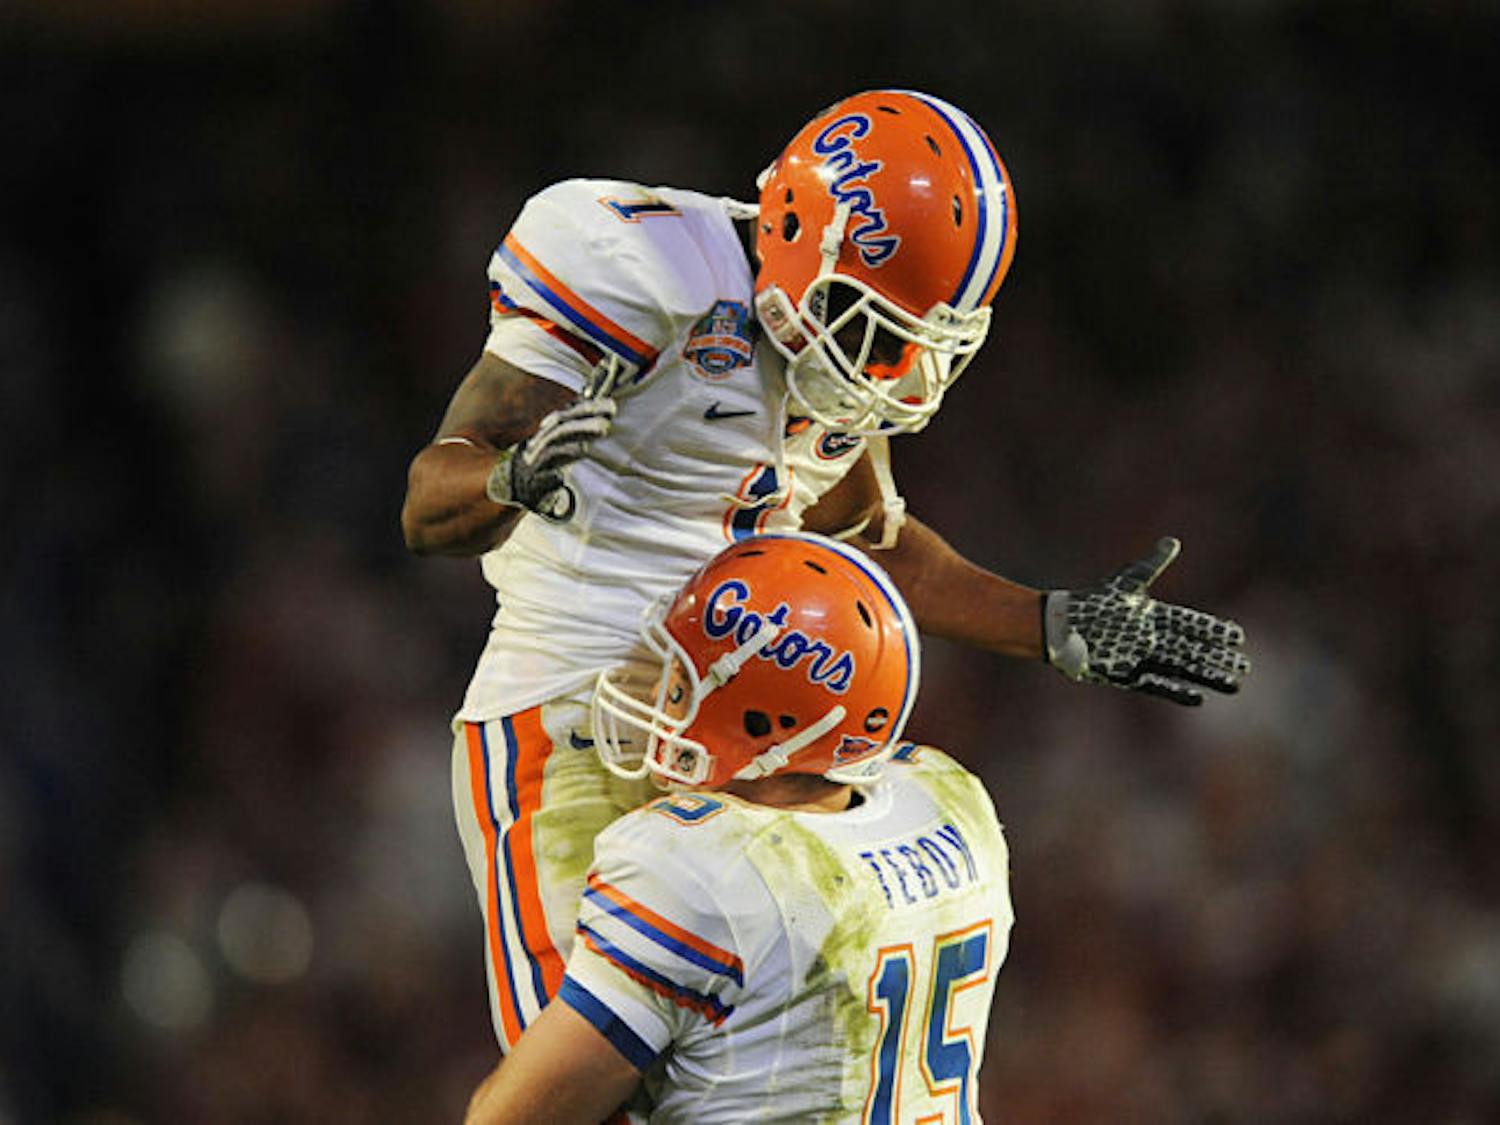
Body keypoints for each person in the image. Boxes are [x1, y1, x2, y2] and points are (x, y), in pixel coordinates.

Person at [401, 88, 1249, 1051]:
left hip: (746, 747)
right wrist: (510, 475)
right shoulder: (642, 270)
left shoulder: (827, 350)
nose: (885, 370)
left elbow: (872, 540)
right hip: (578, 722)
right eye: (875, 328)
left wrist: (1047, 622)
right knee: (581, 1087)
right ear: (803, 235)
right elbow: (430, 504)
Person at [464, 532, 1015, 1124]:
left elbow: (515, 1118)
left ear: (765, 720)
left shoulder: (699, 863)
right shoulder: (954, 803)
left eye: (680, 684)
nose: (660, 699)